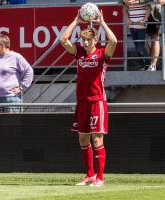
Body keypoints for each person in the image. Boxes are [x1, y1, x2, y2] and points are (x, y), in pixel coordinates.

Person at [60, 10, 117, 186]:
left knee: (97, 139)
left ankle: (100, 178)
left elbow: (113, 41)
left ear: (95, 40)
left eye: (88, 40)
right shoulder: (79, 53)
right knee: (83, 139)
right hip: (82, 102)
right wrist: (76, 21)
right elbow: (63, 40)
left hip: (97, 101)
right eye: (83, 40)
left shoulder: (102, 55)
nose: (85, 42)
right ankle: (90, 175)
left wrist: (103, 23)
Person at [0, 34, 33, 113]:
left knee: (12, 124)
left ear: (3, 46)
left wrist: (21, 87)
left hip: (11, 98)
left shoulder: (16, 57)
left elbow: (29, 71)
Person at [123, 0, 151, 71]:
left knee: (140, 47)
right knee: (137, 47)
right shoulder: (128, 2)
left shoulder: (143, 1)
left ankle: (148, 63)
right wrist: (127, 19)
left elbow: (149, 9)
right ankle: (142, 65)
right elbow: (124, 11)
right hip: (132, 27)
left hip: (142, 27)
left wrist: (144, 20)